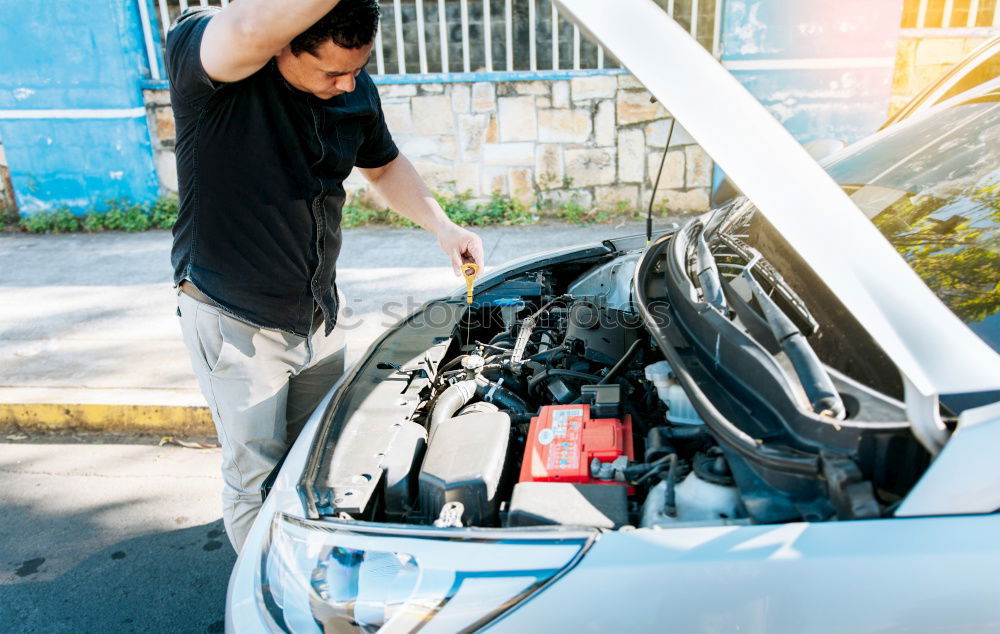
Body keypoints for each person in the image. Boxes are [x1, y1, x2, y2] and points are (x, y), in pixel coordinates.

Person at [165, 0, 484, 552]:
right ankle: (272, 602)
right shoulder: (215, 69)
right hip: (234, 319)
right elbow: (246, 24)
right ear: (285, 43)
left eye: (356, 69)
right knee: (255, 481)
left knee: (319, 457)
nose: (347, 84)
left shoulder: (351, 87)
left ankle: (312, 558)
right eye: (332, 72)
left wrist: (443, 226)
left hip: (318, 314)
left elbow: (381, 163)